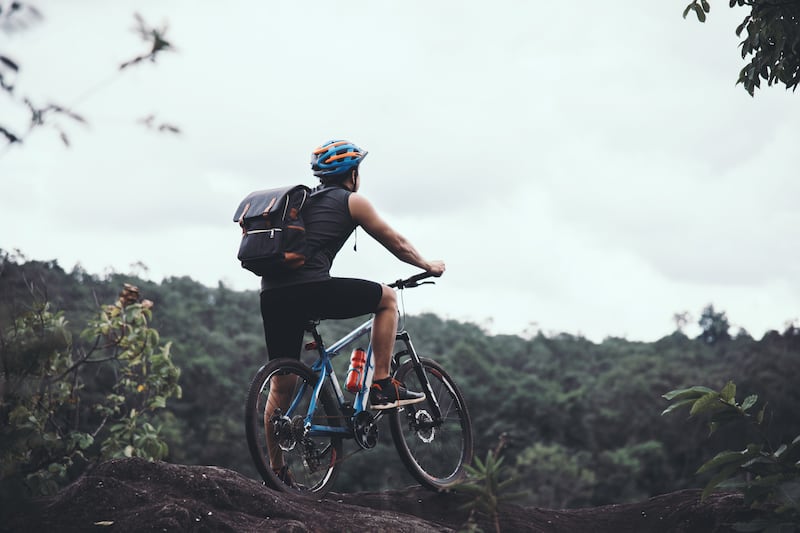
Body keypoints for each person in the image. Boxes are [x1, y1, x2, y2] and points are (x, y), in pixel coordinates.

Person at [260, 139, 445, 413]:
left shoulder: (302, 202)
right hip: (310, 289)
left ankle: (272, 458)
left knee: (280, 384)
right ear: (353, 174)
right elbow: (397, 243)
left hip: (272, 294)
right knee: (387, 298)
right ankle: (382, 384)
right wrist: (427, 265)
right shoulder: (352, 202)